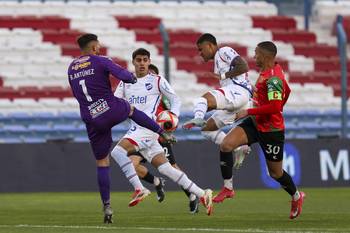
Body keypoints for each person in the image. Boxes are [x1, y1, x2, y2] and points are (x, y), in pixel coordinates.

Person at [67, 33, 175, 224]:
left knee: (102, 161)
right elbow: (125, 76)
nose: (99, 48)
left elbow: (77, 93)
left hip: (90, 117)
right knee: (131, 109)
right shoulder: (101, 60)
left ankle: (107, 206)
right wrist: (133, 79)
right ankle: (161, 133)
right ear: (93, 47)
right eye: (98, 46)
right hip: (108, 108)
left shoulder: (71, 67)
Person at [114, 48, 213, 216]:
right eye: (139, 60)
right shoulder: (125, 82)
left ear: (149, 61)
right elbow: (116, 103)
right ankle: (202, 194)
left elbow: (175, 99)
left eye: (145, 60)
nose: (142, 63)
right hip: (136, 129)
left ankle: (139, 188)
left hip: (148, 128)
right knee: (167, 169)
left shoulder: (157, 80)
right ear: (133, 62)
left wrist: (173, 116)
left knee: (117, 151)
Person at [220, 41, 305, 219]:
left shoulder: (273, 78)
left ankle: (296, 196)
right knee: (226, 144)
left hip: (271, 131)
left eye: (256, 53)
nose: (254, 56)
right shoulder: (270, 72)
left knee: (275, 173)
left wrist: (247, 111)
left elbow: (275, 107)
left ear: (265, 56)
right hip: (255, 122)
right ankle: (228, 188)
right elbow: (287, 91)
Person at [183, 33, 252, 203]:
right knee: (207, 130)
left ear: (211, 45)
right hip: (240, 99)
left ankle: (198, 117)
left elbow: (243, 66)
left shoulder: (223, 51)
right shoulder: (217, 62)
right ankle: (229, 185)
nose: (200, 54)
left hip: (237, 93)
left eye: (201, 49)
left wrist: (222, 77)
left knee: (202, 100)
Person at [124, 63, 200, 214]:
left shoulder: (161, 97)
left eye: (151, 74)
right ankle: (156, 181)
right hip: (139, 135)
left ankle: (192, 194)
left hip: (156, 137)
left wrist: (169, 127)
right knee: (131, 164)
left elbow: (170, 117)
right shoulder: (135, 91)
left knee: (171, 167)